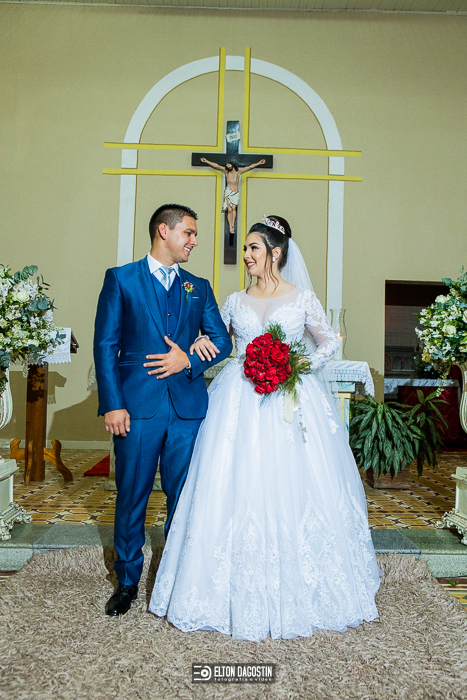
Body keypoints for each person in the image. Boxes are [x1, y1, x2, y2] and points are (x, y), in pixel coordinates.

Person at [149, 215, 380, 641]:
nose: (246, 255)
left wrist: (296, 364)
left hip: (290, 397)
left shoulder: (302, 298)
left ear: (274, 252)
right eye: (245, 249)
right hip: (238, 397)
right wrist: (201, 343)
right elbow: (218, 340)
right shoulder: (235, 300)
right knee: (234, 479)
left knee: (293, 481)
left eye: (253, 248)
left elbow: (329, 341)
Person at [93, 203, 232, 617]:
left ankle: (177, 578)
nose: (194, 241)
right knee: (131, 495)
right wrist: (113, 404)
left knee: (184, 498)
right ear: (163, 231)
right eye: (189, 233)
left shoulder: (198, 286)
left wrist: (188, 360)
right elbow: (105, 345)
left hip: (188, 410)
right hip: (136, 409)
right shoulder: (121, 279)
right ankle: (127, 582)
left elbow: (222, 341)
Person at [200, 158, 266, 233]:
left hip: (235, 193)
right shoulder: (226, 172)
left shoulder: (238, 172)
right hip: (228, 192)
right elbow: (216, 166)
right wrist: (207, 161)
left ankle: (232, 225)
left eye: (229, 165)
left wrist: (259, 163)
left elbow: (249, 167)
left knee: (234, 208)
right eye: (227, 166)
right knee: (229, 209)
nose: (228, 167)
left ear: (232, 165)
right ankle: (230, 227)